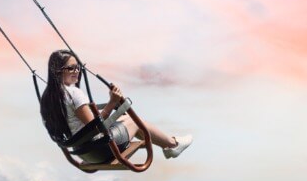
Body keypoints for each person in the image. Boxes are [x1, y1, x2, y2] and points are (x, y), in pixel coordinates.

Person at [39, 49, 192, 160]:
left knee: (124, 120)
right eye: (70, 68)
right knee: (133, 120)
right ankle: (172, 145)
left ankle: (169, 145)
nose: (77, 71)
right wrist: (112, 103)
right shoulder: (73, 93)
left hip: (84, 153)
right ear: (58, 71)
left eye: (77, 67)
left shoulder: (48, 97)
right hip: (100, 149)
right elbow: (95, 126)